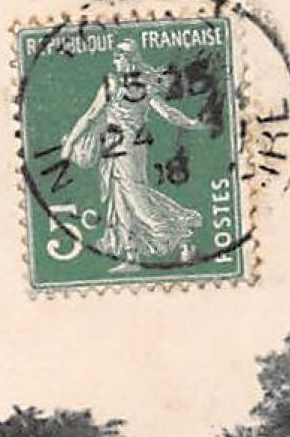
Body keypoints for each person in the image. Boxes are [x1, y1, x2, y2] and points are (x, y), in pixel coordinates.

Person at [60, 40, 210, 272]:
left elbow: (91, 116)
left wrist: (70, 144)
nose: (115, 61)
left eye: (119, 57)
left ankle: (181, 237)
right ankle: (132, 257)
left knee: (136, 199)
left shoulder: (123, 85)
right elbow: (92, 116)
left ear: (129, 59)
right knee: (121, 200)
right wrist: (191, 123)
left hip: (127, 150)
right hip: (116, 148)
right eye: (115, 57)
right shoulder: (133, 85)